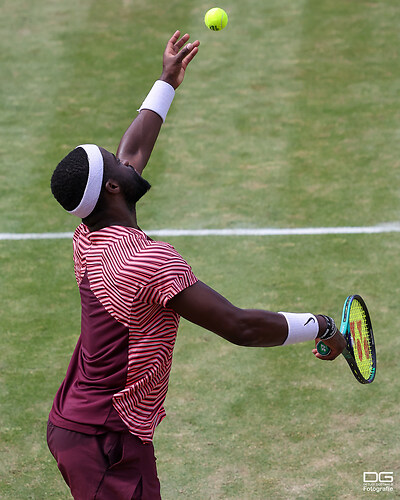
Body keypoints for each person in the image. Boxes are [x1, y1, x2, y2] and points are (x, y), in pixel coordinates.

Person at [47, 31, 346, 500]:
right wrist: (324, 327)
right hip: (106, 439)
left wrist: (166, 81)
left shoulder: (87, 234)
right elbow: (239, 326)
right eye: (113, 163)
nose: (123, 156)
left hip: (81, 424)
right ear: (113, 189)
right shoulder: (149, 263)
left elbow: (131, 153)